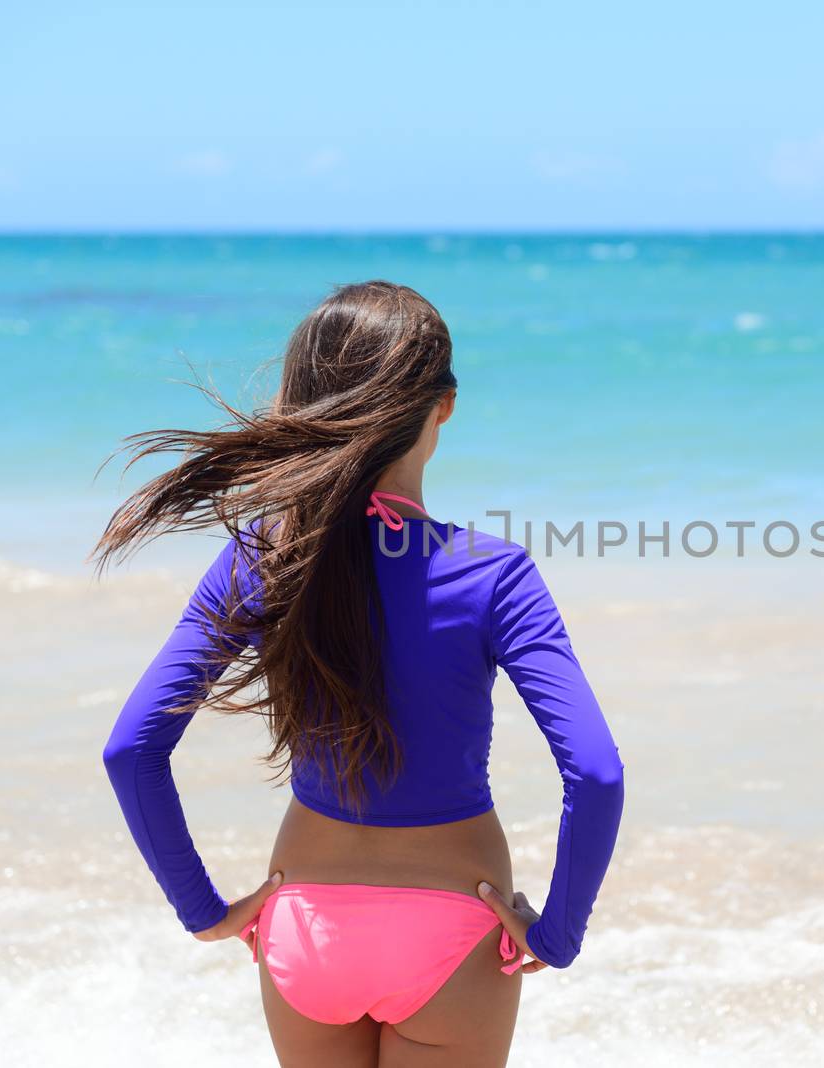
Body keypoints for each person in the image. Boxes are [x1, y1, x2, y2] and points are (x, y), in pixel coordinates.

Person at [92, 280, 626, 1067]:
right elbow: (596, 772)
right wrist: (559, 933)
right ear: (442, 407)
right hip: (456, 927)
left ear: (300, 405)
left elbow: (132, 750)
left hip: (305, 925)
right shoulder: (494, 572)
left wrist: (202, 910)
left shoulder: (261, 558)